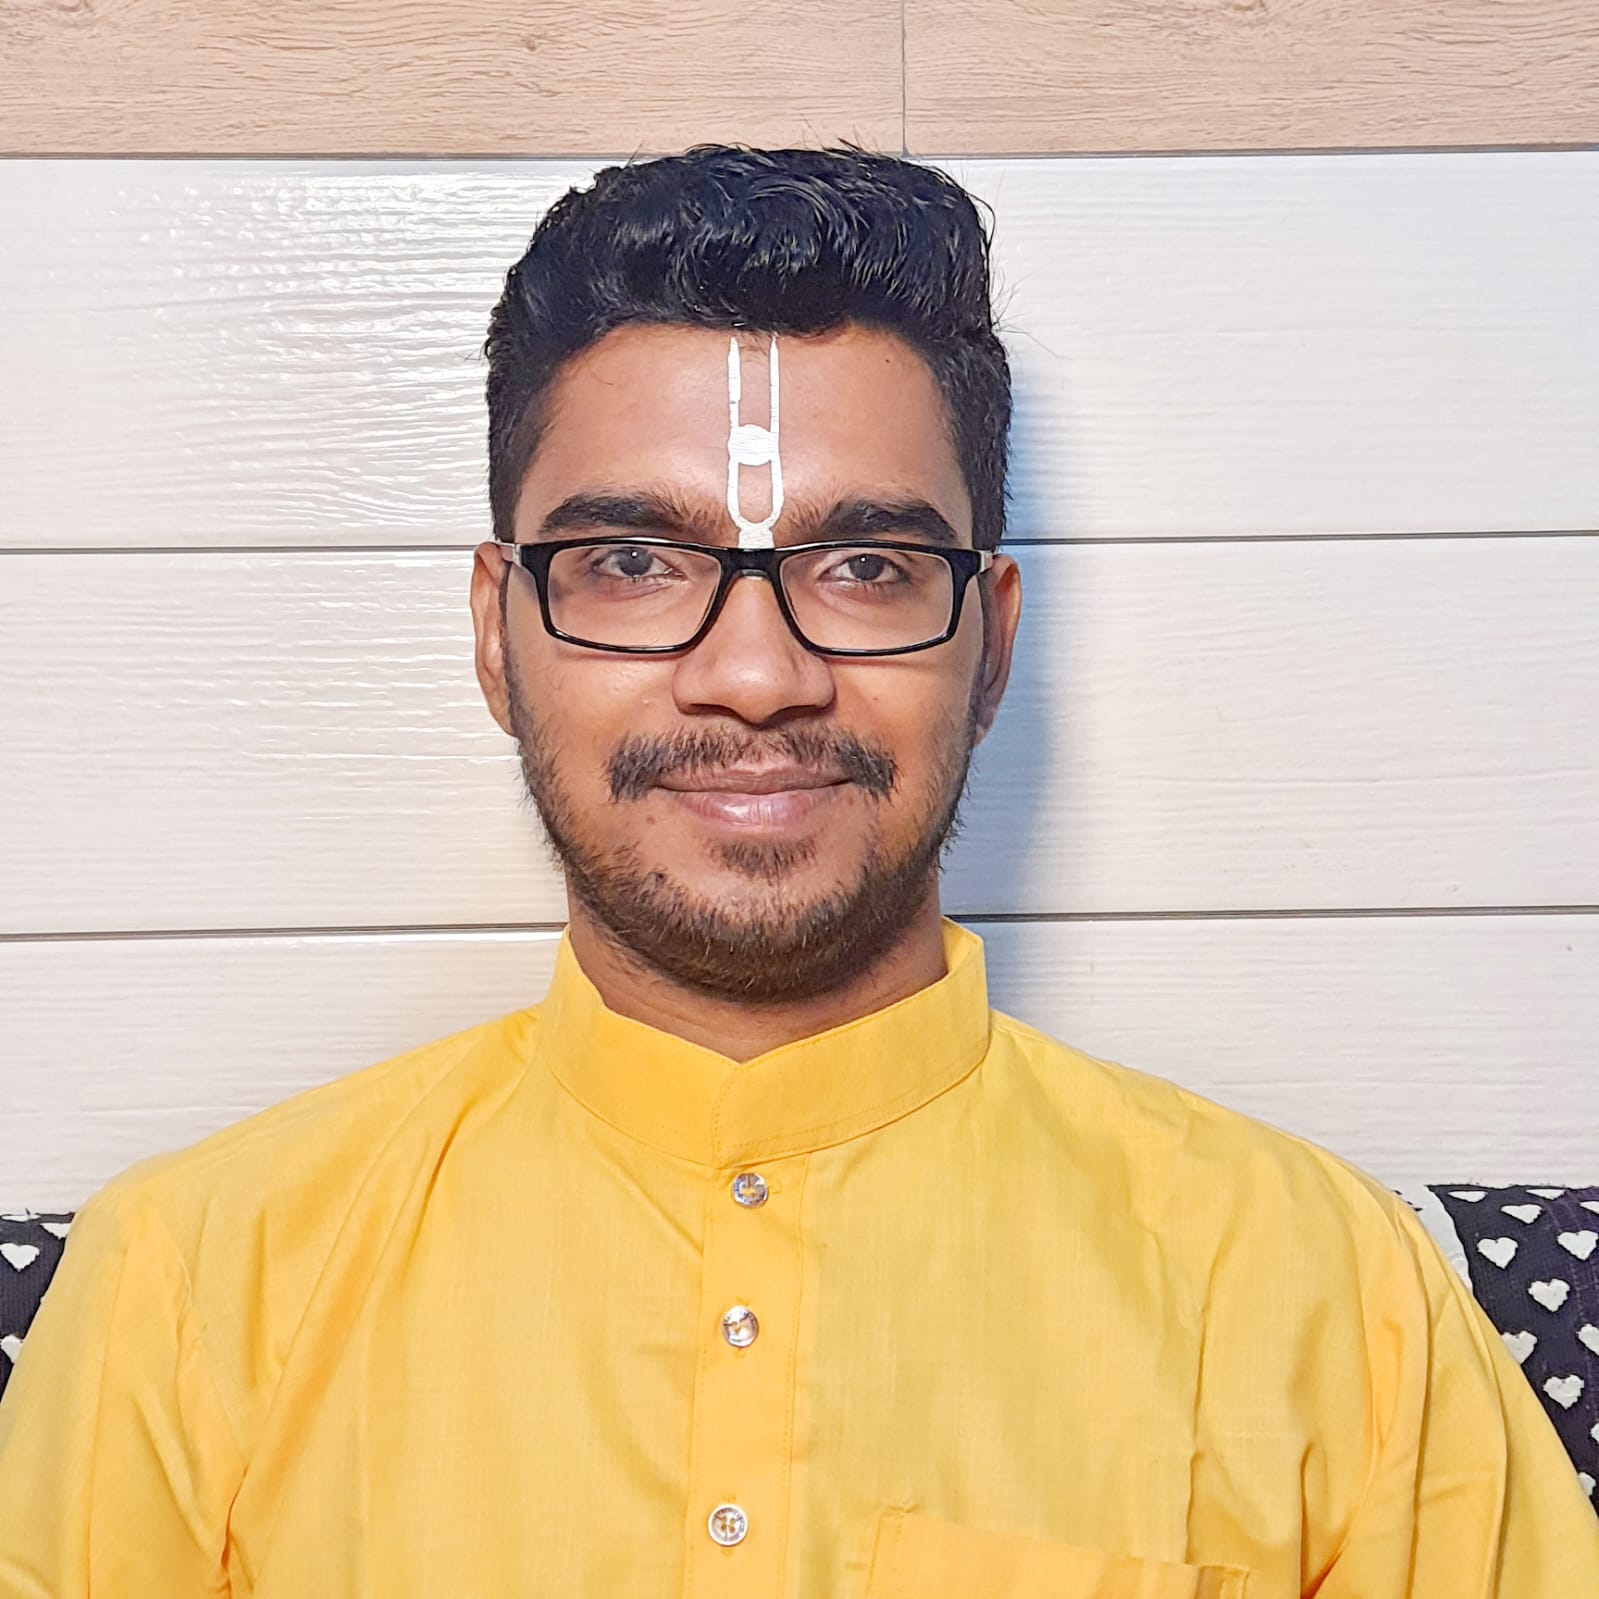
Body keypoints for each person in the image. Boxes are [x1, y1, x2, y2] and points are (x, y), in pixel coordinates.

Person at [0, 146, 1594, 1599]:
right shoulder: (188, 1298)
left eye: (867, 566)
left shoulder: (1334, 1306)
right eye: (632, 562)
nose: (757, 676)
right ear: (497, 631)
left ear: (991, 645)